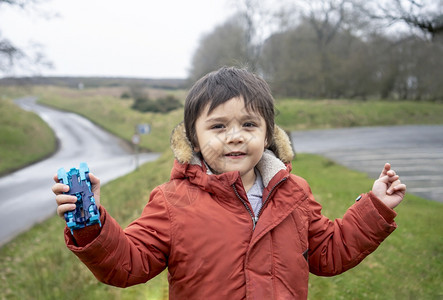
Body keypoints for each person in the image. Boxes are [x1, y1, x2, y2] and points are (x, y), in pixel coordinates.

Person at [52, 67, 406, 299]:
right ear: (193, 137)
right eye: (218, 126)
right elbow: (128, 263)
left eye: (249, 125)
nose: (235, 137)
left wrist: (373, 209)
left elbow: (329, 253)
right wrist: (92, 226)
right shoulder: (172, 202)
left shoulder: (294, 193)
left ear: (268, 134)